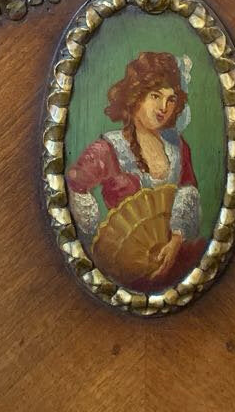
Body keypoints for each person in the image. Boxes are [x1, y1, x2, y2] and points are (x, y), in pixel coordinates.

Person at [67, 50, 206, 290]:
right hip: (128, 270)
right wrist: (100, 240)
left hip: (175, 260)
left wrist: (175, 241)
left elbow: (187, 190)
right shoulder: (107, 149)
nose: (163, 107)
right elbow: (75, 185)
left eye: (171, 99)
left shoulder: (177, 146)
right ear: (136, 97)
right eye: (155, 96)